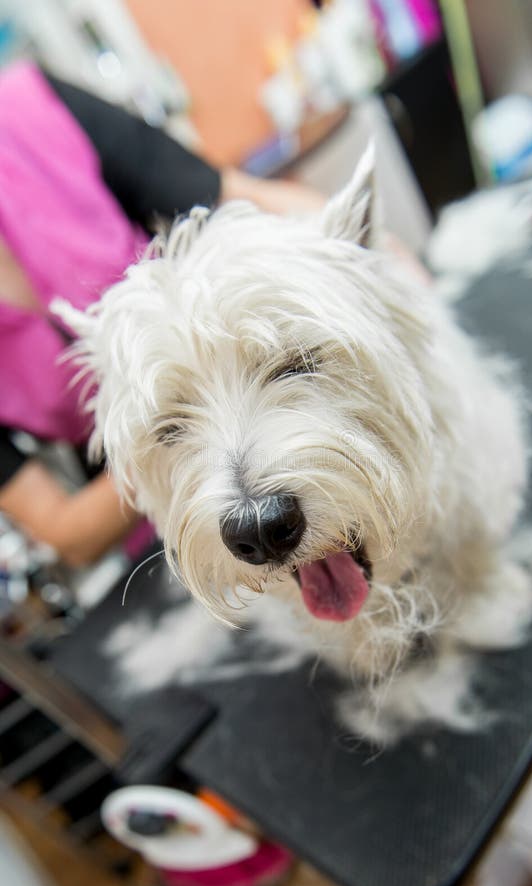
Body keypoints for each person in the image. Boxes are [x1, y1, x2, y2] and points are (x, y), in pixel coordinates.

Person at [0, 60, 324, 567]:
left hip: (267, 413)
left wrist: (373, 263)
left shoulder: (29, 111)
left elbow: (248, 200)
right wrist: (159, 443)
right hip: (159, 510)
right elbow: (66, 531)